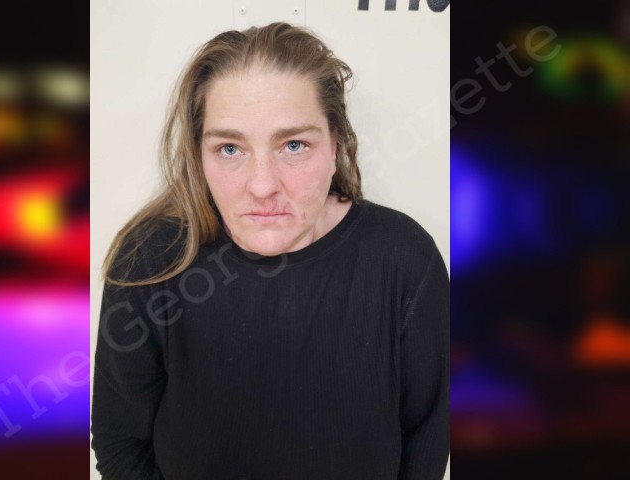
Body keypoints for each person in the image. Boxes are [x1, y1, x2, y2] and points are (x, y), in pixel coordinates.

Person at [91, 22, 449, 480]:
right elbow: (120, 441)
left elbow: (427, 438)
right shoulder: (152, 258)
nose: (262, 186)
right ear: (199, 153)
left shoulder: (404, 259)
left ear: (335, 145)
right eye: (229, 148)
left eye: (294, 145)